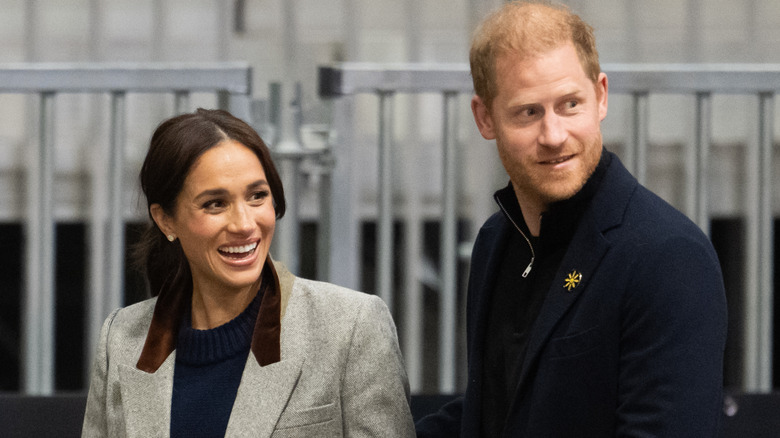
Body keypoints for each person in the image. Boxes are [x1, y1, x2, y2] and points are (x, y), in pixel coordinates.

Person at [415, 1, 727, 436]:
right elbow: (498, 409)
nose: (554, 135)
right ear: (485, 118)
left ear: (600, 96)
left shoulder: (668, 257)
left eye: (570, 104)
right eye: (529, 112)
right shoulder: (495, 240)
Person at [82, 108, 415, 437]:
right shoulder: (121, 339)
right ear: (166, 220)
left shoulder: (352, 327)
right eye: (215, 203)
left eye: (257, 196)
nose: (244, 224)